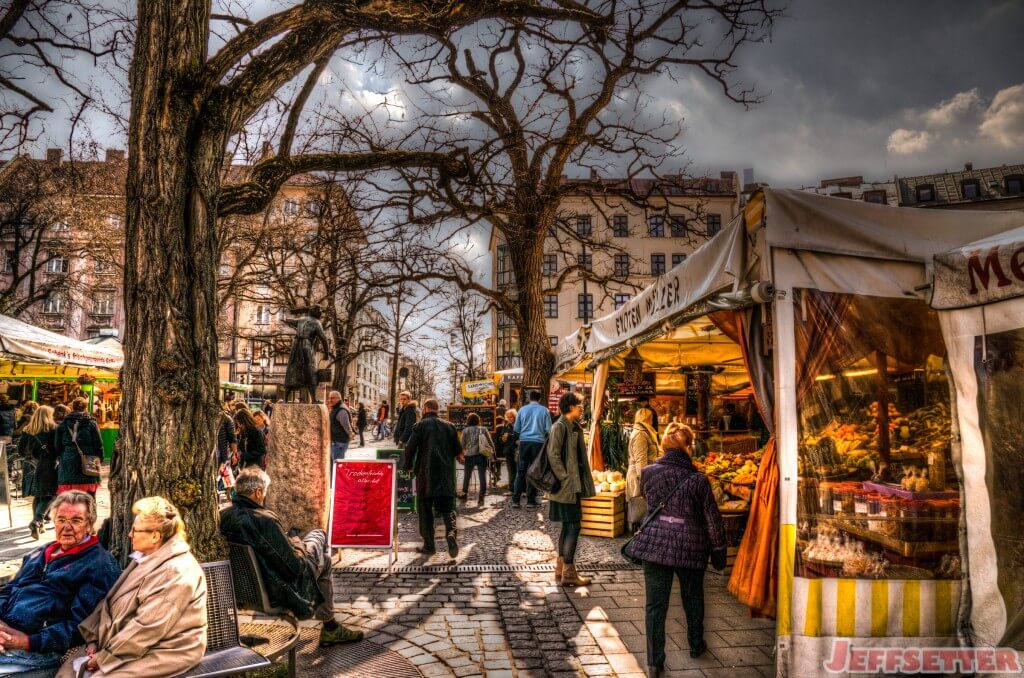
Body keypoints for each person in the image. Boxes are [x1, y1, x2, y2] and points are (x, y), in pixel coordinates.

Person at [57, 496, 207, 678]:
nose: (129, 534)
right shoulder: (146, 557)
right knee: (68, 671)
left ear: (155, 536)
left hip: (167, 650)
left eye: (135, 530)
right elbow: (110, 602)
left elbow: (147, 628)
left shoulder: (175, 571)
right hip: (129, 645)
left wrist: (104, 657)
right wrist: (94, 639)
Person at [220, 468, 363, 646]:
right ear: (257, 493)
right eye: (264, 493)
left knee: (316, 546)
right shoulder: (265, 520)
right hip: (279, 592)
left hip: (242, 591)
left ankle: (332, 627)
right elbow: (295, 567)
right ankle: (331, 628)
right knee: (320, 541)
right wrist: (295, 541)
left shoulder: (223, 516)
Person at [628, 425, 727, 675]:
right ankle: (696, 644)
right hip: (690, 547)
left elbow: (649, 504)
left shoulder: (648, 472)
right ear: (688, 447)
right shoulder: (699, 479)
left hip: (656, 546)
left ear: (663, 446)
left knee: (655, 606)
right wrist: (718, 550)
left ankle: (654, 662)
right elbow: (711, 519)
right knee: (693, 599)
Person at [0, 491, 120, 673]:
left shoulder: (99, 565)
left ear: (89, 525)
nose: (67, 527)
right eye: (61, 519)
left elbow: (81, 627)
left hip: (39, 649)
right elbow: (10, 588)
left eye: (76, 520)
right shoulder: (41, 552)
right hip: (6, 633)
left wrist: (27, 641)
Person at [546, 392, 595, 587]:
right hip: (566, 487)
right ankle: (569, 571)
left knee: (568, 526)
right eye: (579, 405)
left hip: (570, 485)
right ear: (570, 406)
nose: (582, 408)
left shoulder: (573, 426)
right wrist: (565, 478)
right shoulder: (560, 427)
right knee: (574, 526)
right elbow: (553, 455)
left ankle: (561, 569)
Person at [402, 398, 462, 557]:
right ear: (437, 409)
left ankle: (429, 545)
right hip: (445, 474)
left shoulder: (420, 426)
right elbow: (458, 450)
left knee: (425, 510)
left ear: (424, 409)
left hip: (426, 473)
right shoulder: (450, 426)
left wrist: (407, 465)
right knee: (448, 509)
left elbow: (410, 447)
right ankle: (451, 533)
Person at [19, 405, 59, 540]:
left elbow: (20, 450)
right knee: (49, 495)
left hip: (31, 465)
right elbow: (58, 448)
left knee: (38, 495)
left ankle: (39, 525)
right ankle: (37, 521)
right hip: (48, 465)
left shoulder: (28, 430)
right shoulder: (53, 429)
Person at [511, 390, 551, 509]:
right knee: (534, 472)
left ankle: (516, 500)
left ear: (529, 398)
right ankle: (530, 501)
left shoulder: (522, 410)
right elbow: (549, 429)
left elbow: (517, 428)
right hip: (538, 444)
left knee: (521, 472)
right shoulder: (544, 410)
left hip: (524, 443)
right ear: (539, 399)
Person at [56, 398, 103, 496]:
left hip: (68, 463)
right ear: (86, 408)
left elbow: (57, 446)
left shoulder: (63, 424)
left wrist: (63, 456)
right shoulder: (91, 423)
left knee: (69, 498)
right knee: (90, 498)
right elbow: (98, 444)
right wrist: (99, 459)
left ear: (72, 407)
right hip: (89, 461)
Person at [283, 306, 329, 403]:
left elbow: (288, 320)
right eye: (320, 311)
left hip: (295, 346)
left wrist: (293, 313)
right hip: (306, 346)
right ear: (317, 313)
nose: (321, 313)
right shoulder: (316, 322)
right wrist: (326, 354)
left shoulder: (301, 320)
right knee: (311, 370)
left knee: (292, 369)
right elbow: (324, 339)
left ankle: (285, 399)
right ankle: (314, 399)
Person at [627, 408, 660, 531]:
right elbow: (641, 461)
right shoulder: (640, 434)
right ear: (647, 418)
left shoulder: (646, 432)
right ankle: (638, 532)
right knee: (640, 505)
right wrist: (644, 481)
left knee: (644, 506)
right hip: (639, 476)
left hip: (646, 473)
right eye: (651, 418)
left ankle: (643, 531)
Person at [458, 412, 492, 506]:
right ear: (478, 420)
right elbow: (490, 442)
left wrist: (460, 455)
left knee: (467, 475)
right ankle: (481, 496)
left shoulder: (465, 430)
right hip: (482, 455)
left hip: (469, 456)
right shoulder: (484, 429)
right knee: (482, 476)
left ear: (468, 420)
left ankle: (464, 494)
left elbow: (462, 445)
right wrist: (493, 454)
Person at [327, 390, 356, 461]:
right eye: (329, 398)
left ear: (339, 399)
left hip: (339, 442)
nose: (330, 400)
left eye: (332, 398)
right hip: (337, 441)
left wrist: (350, 434)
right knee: (335, 462)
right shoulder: (336, 408)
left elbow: (346, 424)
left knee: (337, 462)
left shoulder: (341, 410)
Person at [496, 409, 518, 493]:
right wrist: (503, 439)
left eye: (511, 417)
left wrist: (509, 436)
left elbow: (518, 437)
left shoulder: (517, 425)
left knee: (517, 470)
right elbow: (501, 438)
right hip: (508, 450)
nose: (509, 419)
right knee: (510, 470)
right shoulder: (506, 426)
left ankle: (518, 489)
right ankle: (512, 489)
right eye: (508, 417)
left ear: (514, 417)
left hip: (516, 450)